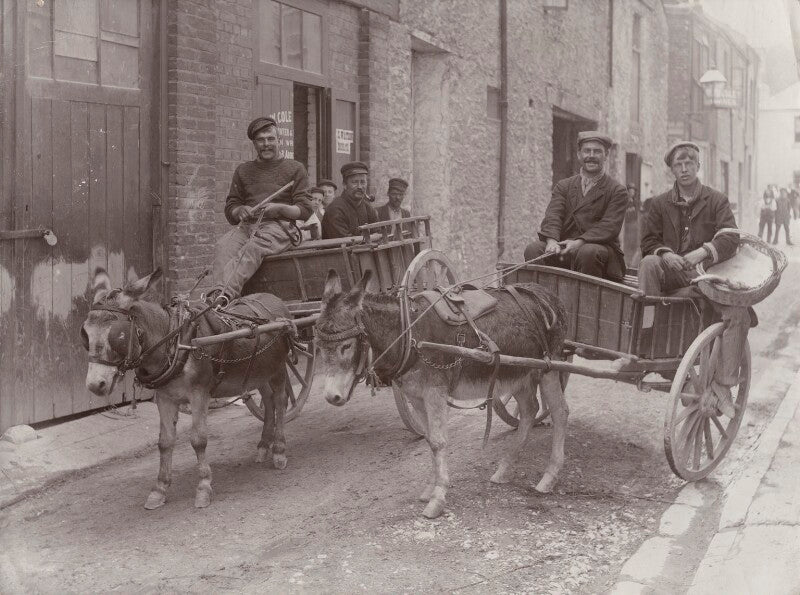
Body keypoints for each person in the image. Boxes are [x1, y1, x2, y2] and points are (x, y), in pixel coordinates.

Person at [638, 141, 750, 418]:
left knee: (738, 313)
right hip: (672, 272)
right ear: (672, 170)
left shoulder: (716, 200)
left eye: (690, 163)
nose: (685, 168)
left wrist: (704, 252)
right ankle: (650, 344)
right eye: (679, 164)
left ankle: (724, 386)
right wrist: (665, 254)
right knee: (649, 263)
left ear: (699, 166)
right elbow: (648, 240)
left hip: (706, 275)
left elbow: (730, 237)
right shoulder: (659, 203)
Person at [208, 116, 312, 306]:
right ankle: (220, 298)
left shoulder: (295, 168)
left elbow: (305, 210)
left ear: (279, 140)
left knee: (253, 248)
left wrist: (279, 208)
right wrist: (240, 210)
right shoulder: (243, 170)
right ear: (254, 144)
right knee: (223, 246)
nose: (266, 144)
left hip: (279, 228)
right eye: (260, 140)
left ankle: (221, 298)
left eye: (270, 139)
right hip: (248, 226)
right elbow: (231, 206)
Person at [524, 131, 627, 281]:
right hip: (565, 249)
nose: (591, 155)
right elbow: (553, 216)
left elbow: (609, 226)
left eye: (597, 151)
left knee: (587, 252)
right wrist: (551, 241)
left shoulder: (617, 190)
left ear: (606, 155)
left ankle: (586, 303)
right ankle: (539, 300)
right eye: (587, 151)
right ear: (579, 154)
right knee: (533, 249)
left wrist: (579, 242)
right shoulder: (564, 186)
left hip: (599, 254)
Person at [321, 161, 379, 239]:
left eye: (363, 182)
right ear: (344, 185)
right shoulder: (335, 209)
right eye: (354, 182)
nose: (360, 186)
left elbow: (378, 232)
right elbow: (344, 242)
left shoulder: (368, 208)